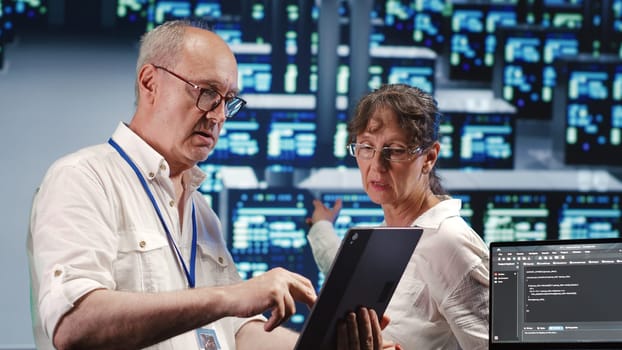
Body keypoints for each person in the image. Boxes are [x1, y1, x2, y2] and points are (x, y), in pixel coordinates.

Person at [27, 19, 393, 350]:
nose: (218, 116)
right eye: (206, 92)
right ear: (150, 82)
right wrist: (231, 295)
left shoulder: (200, 210)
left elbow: (234, 332)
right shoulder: (83, 178)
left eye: (227, 101)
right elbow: (74, 324)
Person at [307, 84, 490, 350]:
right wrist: (322, 226)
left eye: (395, 150)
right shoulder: (385, 235)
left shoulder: (448, 242)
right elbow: (345, 280)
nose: (377, 166)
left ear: (429, 157)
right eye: (367, 147)